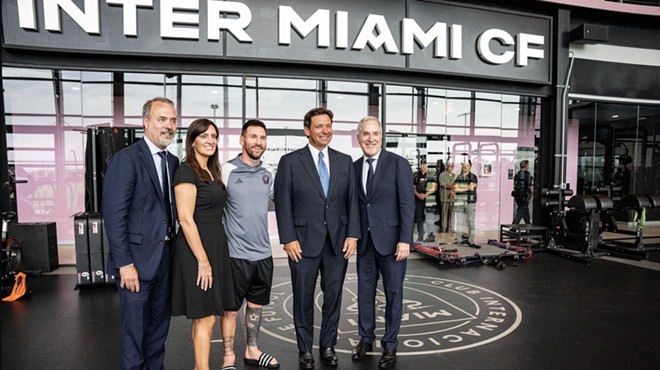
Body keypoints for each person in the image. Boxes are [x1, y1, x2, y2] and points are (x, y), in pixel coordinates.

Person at [274, 107, 360, 369]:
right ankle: (304, 349)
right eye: (319, 126)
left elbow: (352, 201)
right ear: (307, 130)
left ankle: (328, 345)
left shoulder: (345, 161)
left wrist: (353, 234)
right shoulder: (290, 162)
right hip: (301, 242)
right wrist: (288, 238)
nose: (325, 130)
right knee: (303, 296)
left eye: (329, 126)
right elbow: (282, 202)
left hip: (337, 242)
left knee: (334, 296)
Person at [103, 97, 179, 370]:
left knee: (158, 332)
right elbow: (114, 217)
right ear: (145, 122)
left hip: (165, 260)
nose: (169, 126)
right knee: (135, 335)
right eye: (162, 119)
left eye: (172, 120)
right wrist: (125, 264)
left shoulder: (172, 161)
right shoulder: (126, 160)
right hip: (135, 263)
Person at [351, 116, 415, 369]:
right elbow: (356, 206)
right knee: (364, 295)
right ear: (359, 138)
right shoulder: (355, 167)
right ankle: (366, 339)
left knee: (393, 295)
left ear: (382, 136)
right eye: (366, 134)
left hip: (392, 244)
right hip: (365, 244)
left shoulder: (398, 164)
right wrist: (353, 236)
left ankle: (390, 345)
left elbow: (407, 205)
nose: (371, 138)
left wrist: (405, 240)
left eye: (375, 133)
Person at [170, 118, 233, 370]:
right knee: (205, 316)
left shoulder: (212, 171)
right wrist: (203, 261)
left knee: (205, 316)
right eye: (204, 136)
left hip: (215, 245)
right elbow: (185, 219)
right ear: (193, 141)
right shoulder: (186, 170)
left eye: (214, 136)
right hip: (196, 251)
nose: (210, 141)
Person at [220, 120, 279, 370]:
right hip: (234, 255)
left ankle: (252, 350)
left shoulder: (269, 172)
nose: (258, 142)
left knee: (256, 306)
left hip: (263, 254)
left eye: (262, 137)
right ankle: (228, 357)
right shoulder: (226, 170)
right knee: (231, 310)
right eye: (253, 137)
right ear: (242, 140)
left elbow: (283, 202)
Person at [453, 159, 479, 248]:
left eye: (467, 165)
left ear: (470, 166)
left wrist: (461, 187)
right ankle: (459, 240)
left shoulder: (473, 177)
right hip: (460, 201)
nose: (465, 167)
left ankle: (471, 240)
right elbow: (455, 189)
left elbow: (471, 188)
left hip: (470, 202)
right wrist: (466, 187)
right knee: (459, 222)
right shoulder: (459, 177)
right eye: (464, 165)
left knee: (471, 221)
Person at [413, 160, 436, 242]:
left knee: (429, 217)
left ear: (427, 165)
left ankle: (431, 236)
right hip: (418, 198)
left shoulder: (431, 174)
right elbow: (413, 187)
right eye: (422, 164)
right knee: (419, 218)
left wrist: (425, 195)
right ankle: (421, 235)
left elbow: (434, 187)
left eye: (425, 164)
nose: (423, 166)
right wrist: (418, 194)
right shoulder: (416, 174)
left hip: (429, 198)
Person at [512, 159, 533, 224]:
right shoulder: (527, 174)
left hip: (518, 196)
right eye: (528, 165)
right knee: (521, 212)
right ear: (526, 165)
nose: (528, 166)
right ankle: (514, 227)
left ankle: (528, 225)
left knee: (524, 212)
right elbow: (528, 186)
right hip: (524, 196)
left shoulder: (517, 174)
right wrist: (530, 193)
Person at [438, 162, 456, 233]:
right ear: (446, 166)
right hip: (444, 197)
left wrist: (453, 190)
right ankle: (444, 228)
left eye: (452, 166)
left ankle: (451, 228)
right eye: (449, 165)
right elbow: (442, 184)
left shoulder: (455, 175)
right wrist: (452, 187)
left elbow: (456, 185)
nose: (450, 167)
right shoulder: (442, 175)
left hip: (452, 198)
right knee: (444, 214)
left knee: (452, 214)